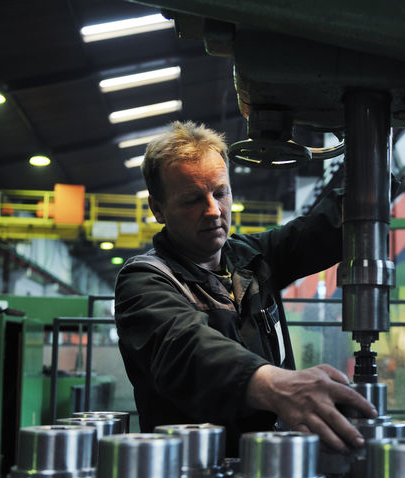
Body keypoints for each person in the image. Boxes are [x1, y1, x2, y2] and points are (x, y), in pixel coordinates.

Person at [114, 121, 377, 456]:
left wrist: (376, 157)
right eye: (193, 199)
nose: (213, 211)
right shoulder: (144, 282)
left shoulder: (252, 259)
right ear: (158, 209)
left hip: (269, 465)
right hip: (189, 475)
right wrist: (278, 385)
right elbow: (187, 349)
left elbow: (323, 230)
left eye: (220, 193)